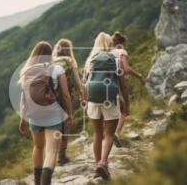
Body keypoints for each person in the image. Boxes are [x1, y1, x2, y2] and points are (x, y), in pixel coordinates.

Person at [18, 41, 73, 185]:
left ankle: (37, 182)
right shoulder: (57, 69)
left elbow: (24, 98)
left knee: (38, 147)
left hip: (34, 115)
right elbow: (66, 94)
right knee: (51, 152)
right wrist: (69, 113)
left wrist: (23, 119)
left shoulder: (26, 71)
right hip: (52, 114)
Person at [84, 32, 129, 180]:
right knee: (109, 134)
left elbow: (85, 83)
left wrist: (86, 101)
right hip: (110, 98)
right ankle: (103, 163)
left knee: (97, 134)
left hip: (93, 100)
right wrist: (126, 104)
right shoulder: (116, 59)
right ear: (110, 43)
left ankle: (98, 166)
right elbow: (123, 85)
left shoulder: (90, 60)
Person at [52, 39, 85, 165]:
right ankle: (62, 155)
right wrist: (82, 94)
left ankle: (51, 155)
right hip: (64, 96)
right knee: (66, 123)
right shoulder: (69, 61)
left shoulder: (51, 61)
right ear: (68, 50)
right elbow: (77, 81)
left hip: (49, 98)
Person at [110, 31, 145, 147]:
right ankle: (116, 133)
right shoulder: (121, 51)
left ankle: (107, 134)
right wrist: (139, 76)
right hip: (117, 81)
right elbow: (126, 68)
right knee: (124, 109)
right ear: (122, 43)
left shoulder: (107, 52)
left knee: (111, 109)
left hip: (105, 82)